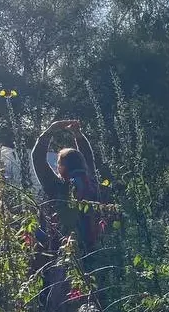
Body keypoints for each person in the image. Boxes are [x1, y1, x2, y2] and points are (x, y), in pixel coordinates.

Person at [31, 119, 102, 311]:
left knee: (59, 299)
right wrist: (78, 135)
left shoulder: (59, 188)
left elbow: (37, 158)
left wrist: (49, 131)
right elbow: (89, 159)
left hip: (60, 252)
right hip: (90, 249)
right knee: (88, 296)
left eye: (58, 163)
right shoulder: (91, 185)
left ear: (62, 168)